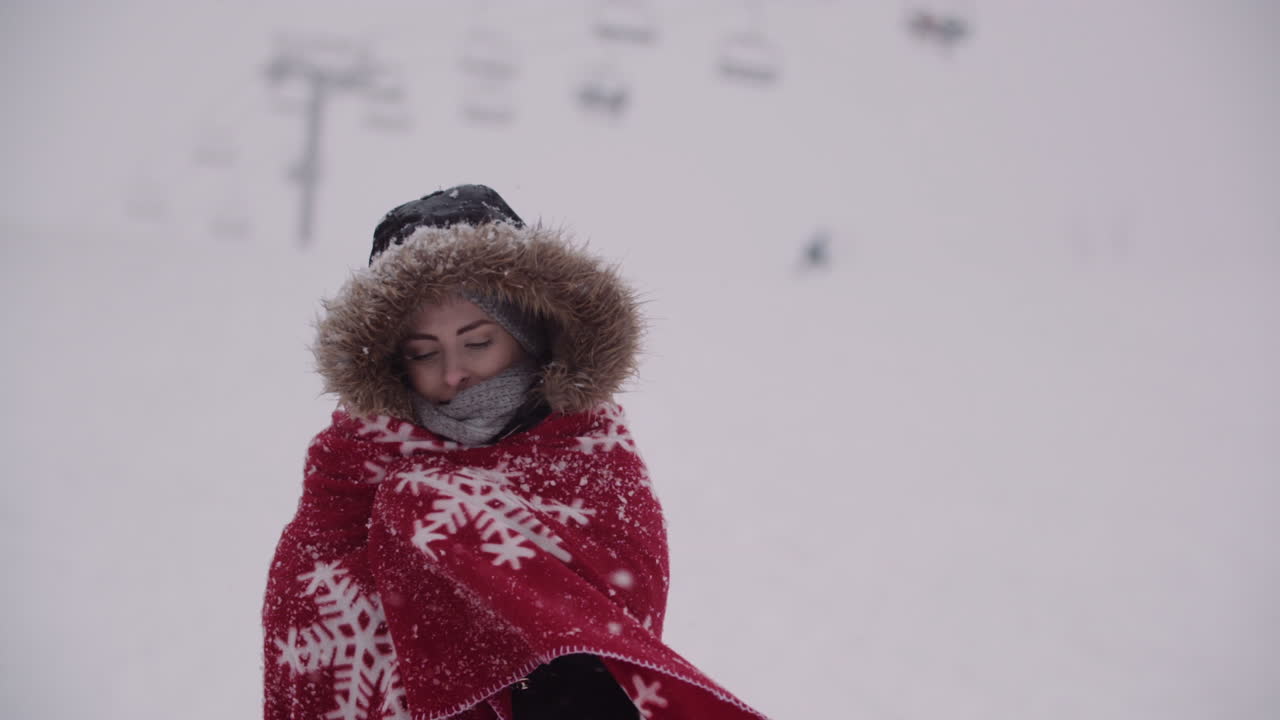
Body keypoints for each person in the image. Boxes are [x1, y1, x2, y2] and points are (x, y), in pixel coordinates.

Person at [262, 185, 767, 719]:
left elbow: (618, 618)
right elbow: (309, 628)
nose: (454, 372)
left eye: (478, 342)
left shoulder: (586, 453)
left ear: (526, 333)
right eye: (424, 352)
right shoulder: (352, 469)